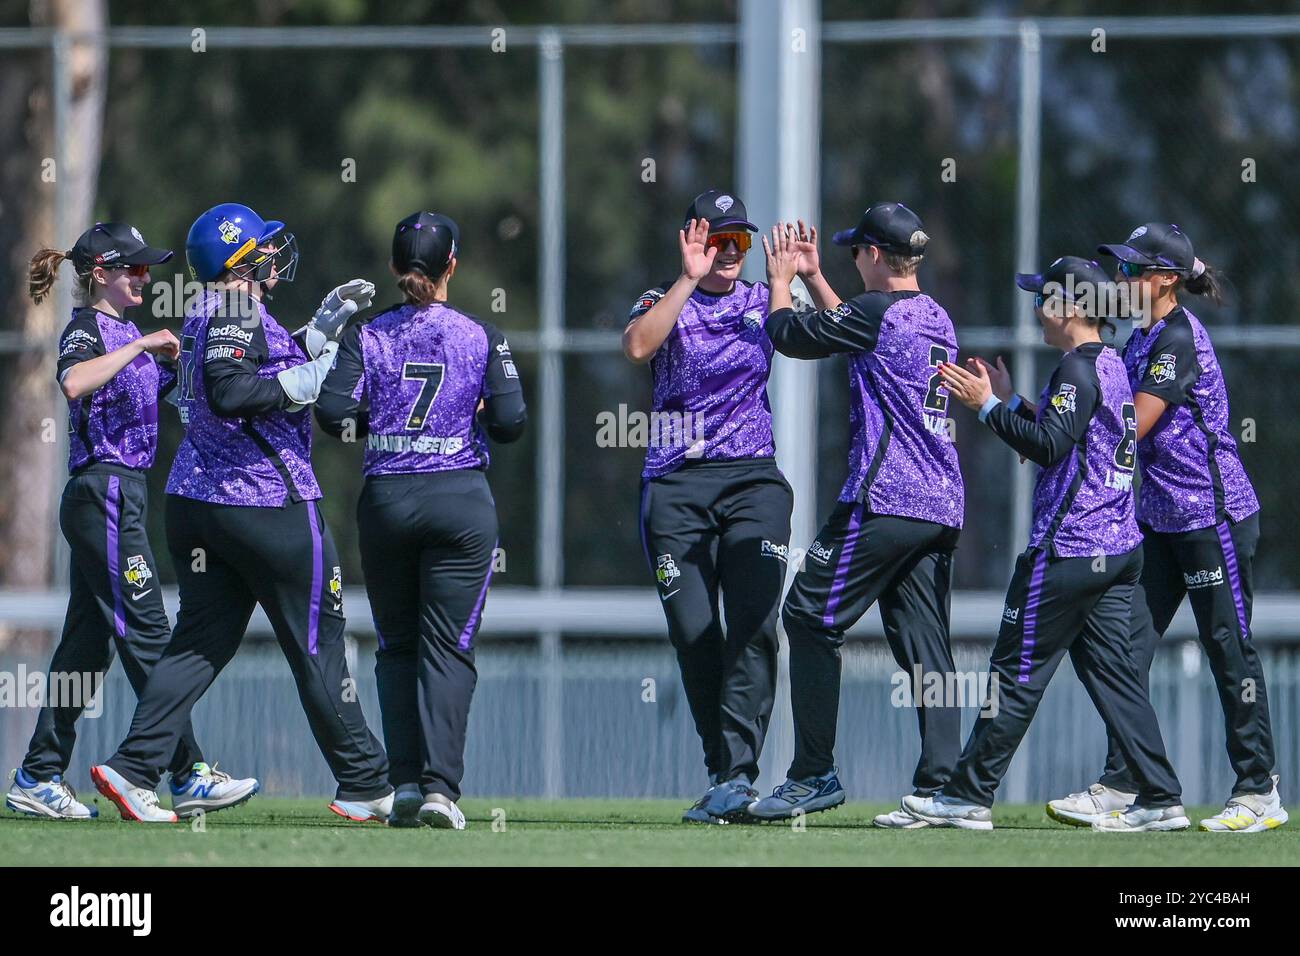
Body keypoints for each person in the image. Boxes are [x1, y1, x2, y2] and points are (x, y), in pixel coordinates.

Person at [89, 203, 392, 823]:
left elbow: (249, 362)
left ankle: (133, 766)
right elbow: (232, 389)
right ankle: (365, 781)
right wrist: (306, 382)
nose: (272, 256)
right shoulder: (234, 307)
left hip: (199, 505)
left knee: (199, 642)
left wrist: (319, 333)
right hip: (262, 500)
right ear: (240, 260)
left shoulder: (210, 312)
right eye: (260, 248)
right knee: (319, 641)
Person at [907, 255, 1187, 832]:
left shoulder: (1076, 370)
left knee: (1013, 673)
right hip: (1116, 551)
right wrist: (1009, 402)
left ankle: (965, 796)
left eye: (1043, 299)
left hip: (1068, 551)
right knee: (1116, 678)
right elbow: (1074, 437)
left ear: (1069, 308)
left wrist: (984, 406)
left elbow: (1049, 447)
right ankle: (1161, 798)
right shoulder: (1108, 365)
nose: (1036, 310)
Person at [6, 223, 257, 821]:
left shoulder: (129, 336)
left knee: (87, 646)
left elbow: (203, 386)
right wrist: (143, 347)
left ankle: (38, 774)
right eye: (134, 269)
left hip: (126, 497)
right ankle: (185, 770)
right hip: (103, 494)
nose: (145, 277)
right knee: (146, 628)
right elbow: (73, 381)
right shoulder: (89, 330)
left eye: (148, 269)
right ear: (101, 275)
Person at [1047, 224, 1286, 832]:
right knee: (1127, 649)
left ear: (1167, 280)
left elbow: (1133, 423)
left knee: (1226, 647)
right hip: (1158, 522)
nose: (1121, 280)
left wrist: (1054, 426)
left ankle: (1258, 790)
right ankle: (1129, 782)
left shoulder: (1178, 339)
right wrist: (1033, 415)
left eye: (1133, 270)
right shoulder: (1140, 337)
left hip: (1213, 518)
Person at [748, 204, 964, 828]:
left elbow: (790, 337)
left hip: (886, 499)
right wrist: (818, 280)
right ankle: (944, 789)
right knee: (927, 648)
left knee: (809, 615)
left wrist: (781, 282)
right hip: (939, 502)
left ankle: (812, 773)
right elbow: (858, 328)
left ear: (872, 254)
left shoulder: (875, 312)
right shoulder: (933, 314)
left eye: (853, 252)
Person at [316, 211, 525, 829]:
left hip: (387, 501)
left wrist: (376, 420)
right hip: (459, 499)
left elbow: (332, 412)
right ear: (452, 266)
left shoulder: (367, 333)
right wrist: (477, 413)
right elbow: (512, 424)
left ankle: (404, 784)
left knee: (397, 645)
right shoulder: (481, 334)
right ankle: (440, 791)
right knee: (449, 648)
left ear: (393, 269)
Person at [623, 190, 794, 824]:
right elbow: (638, 346)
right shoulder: (664, 298)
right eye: (718, 241)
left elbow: (811, 340)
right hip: (675, 486)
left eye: (740, 242)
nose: (730, 253)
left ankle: (738, 773)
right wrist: (686, 281)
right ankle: (724, 769)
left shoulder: (762, 301)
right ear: (694, 240)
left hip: (752, 480)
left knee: (753, 621)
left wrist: (791, 280)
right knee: (697, 634)